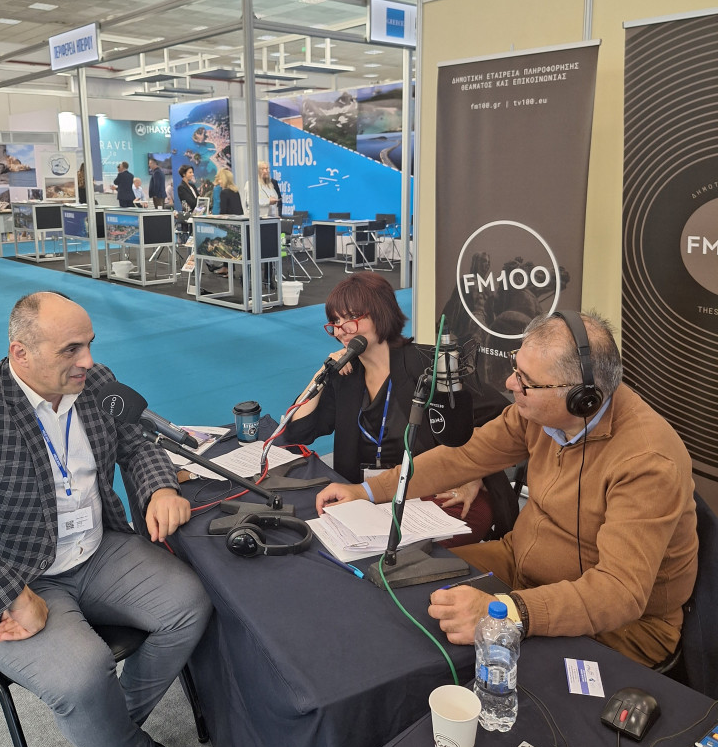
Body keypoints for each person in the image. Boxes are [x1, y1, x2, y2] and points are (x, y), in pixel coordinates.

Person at [0, 292, 223, 747]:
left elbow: (139, 441)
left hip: (97, 551)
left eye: (89, 345)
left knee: (190, 605)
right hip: (18, 577)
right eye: (71, 349)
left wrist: (159, 488)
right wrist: (8, 596)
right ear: (21, 353)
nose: (88, 361)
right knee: (83, 676)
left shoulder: (95, 383)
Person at [316, 310, 698, 668]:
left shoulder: (647, 462)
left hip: (620, 629)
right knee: (400, 589)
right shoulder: (537, 414)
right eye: (516, 368)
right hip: (517, 565)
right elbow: (463, 457)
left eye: (526, 381)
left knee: (451, 661)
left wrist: (508, 612)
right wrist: (369, 491)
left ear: (581, 398)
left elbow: (618, 593)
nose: (510, 384)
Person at [289, 272, 497, 545]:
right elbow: (297, 431)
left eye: (351, 318)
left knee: (407, 550)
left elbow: (496, 417)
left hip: (430, 496)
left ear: (381, 314)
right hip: (365, 496)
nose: (341, 331)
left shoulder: (426, 364)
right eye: (335, 322)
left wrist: (474, 475)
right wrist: (324, 370)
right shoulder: (345, 375)